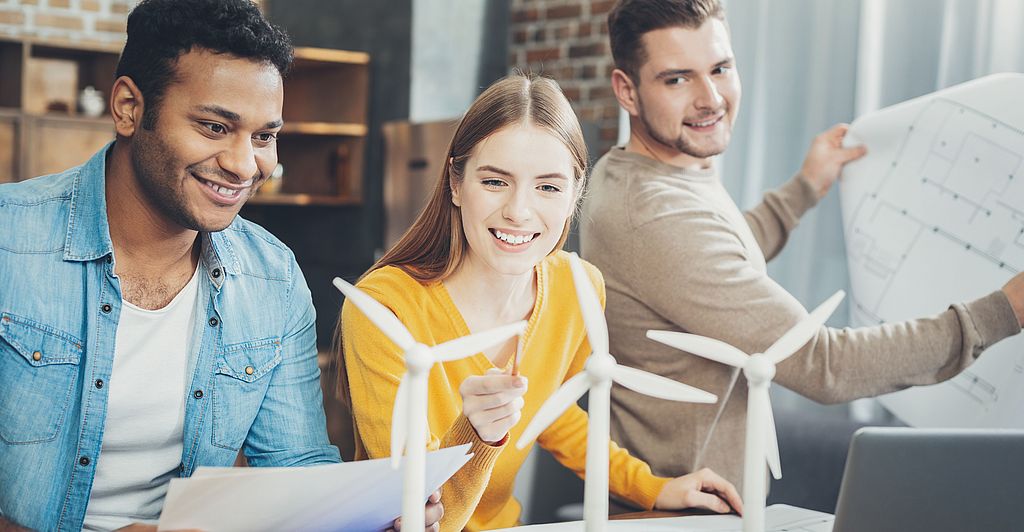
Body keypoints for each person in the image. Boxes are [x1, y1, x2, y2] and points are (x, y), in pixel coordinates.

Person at [0, 1, 440, 530]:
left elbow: (294, 469)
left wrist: (367, 515)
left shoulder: (272, 279)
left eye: (264, 136)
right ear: (128, 108)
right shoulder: (11, 241)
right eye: (213, 127)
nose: (243, 164)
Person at [579, 0, 1024, 494]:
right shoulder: (654, 213)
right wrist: (1005, 310)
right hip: (677, 515)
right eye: (677, 79)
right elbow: (824, 364)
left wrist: (806, 187)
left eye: (721, 68)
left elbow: (718, 255)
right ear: (627, 90)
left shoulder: (642, 173)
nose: (711, 98)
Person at [338, 72, 744, 532]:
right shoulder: (382, 309)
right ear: (455, 183)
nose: (519, 210)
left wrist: (653, 487)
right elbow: (424, 515)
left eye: (548, 187)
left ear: (575, 194)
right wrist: (478, 433)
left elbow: (552, 413)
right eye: (495, 182)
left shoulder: (579, 288)